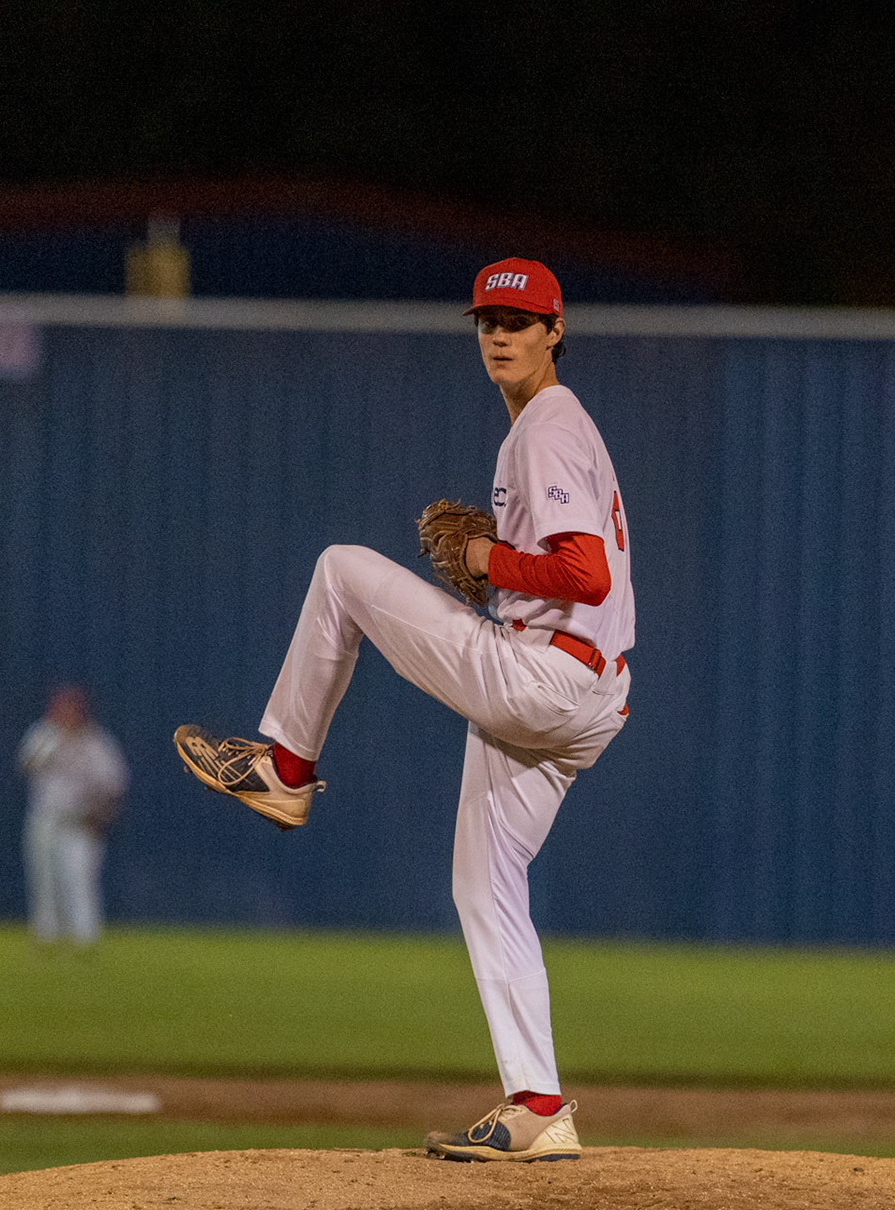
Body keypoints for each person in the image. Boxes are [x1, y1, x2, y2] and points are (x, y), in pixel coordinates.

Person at [175, 257, 633, 1162]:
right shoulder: (553, 428)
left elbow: (587, 572)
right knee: (484, 882)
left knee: (343, 568)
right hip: (587, 693)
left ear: (555, 331)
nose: (500, 337)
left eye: (520, 323)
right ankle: (539, 1106)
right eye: (487, 324)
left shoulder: (547, 424)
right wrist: (497, 564)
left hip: (544, 678)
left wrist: (485, 565)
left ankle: (285, 768)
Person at [18, 685, 129, 947]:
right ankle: (47, 934)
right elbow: (26, 763)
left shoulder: (97, 741)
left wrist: (102, 817)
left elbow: (114, 785)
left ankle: (84, 937)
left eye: (72, 709)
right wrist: (54, 737)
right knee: (43, 877)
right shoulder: (44, 734)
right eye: (62, 709)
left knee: (80, 878)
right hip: (44, 817)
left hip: (81, 821)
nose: (67, 714)